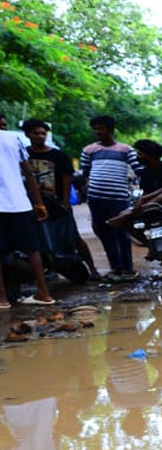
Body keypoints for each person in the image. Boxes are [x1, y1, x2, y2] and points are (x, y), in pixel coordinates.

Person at [21, 118, 100, 279]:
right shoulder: (24, 154)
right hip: (34, 203)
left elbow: (66, 178)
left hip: (56, 203)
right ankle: (51, 269)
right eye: (36, 133)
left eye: (43, 133)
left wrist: (65, 202)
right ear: (28, 134)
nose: (40, 136)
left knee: (73, 237)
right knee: (42, 238)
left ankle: (92, 268)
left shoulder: (58, 155)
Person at [78, 115, 141, 283]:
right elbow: (85, 173)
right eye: (95, 129)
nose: (98, 132)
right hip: (96, 199)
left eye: (101, 128)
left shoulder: (126, 150)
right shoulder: (89, 150)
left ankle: (128, 269)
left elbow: (138, 169)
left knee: (122, 233)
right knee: (105, 234)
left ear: (111, 130)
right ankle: (116, 268)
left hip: (119, 199)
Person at [0, 124, 56, 308]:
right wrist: (39, 203)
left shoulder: (13, 138)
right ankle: (44, 293)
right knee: (32, 250)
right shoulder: (13, 139)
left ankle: (2, 299)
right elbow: (28, 172)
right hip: (19, 203)